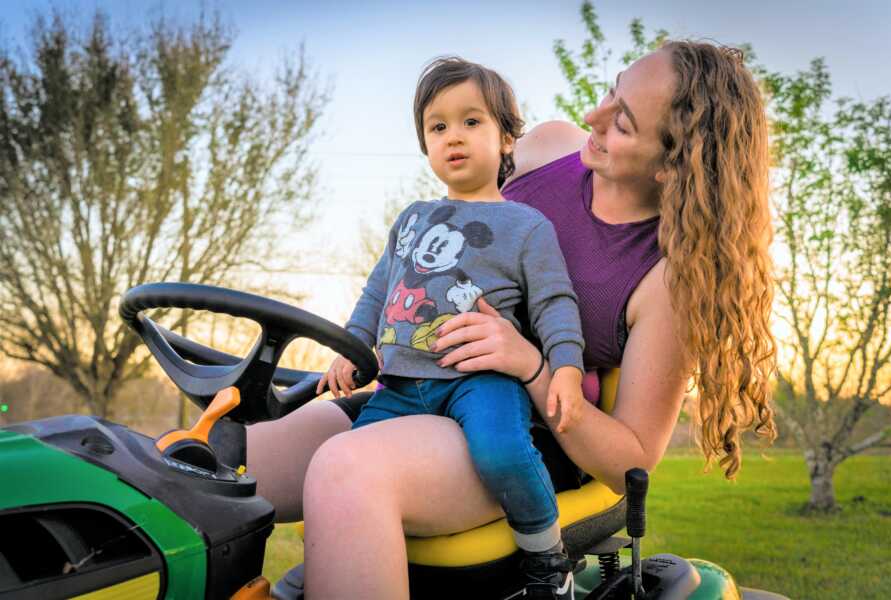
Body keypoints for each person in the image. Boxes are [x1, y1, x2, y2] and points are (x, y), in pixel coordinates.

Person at [247, 40, 776, 600]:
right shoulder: (547, 147)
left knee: (344, 471)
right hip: (416, 388)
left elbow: (630, 465)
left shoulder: (667, 279)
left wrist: (529, 365)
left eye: (622, 122)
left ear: (675, 163)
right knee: (215, 461)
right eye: (610, 92)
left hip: (526, 430)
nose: (593, 118)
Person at [314, 56, 586, 598]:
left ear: (507, 138)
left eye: (471, 121)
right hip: (401, 384)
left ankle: (548, 559)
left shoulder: (527, 226)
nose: (453, 137)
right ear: (425, 144)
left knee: (503, 452)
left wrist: (567, 369)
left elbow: (556, 302)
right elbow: (377, 291)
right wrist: (350, 346)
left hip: (481, 378)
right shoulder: (412, 218)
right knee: (343, 480)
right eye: (438, 127)